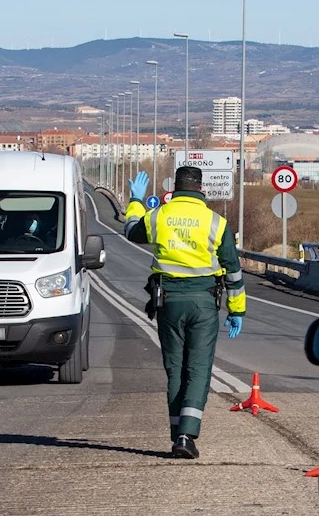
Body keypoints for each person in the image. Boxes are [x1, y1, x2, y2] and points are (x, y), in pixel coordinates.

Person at [123, 165, 246, 459]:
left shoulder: (160, 216)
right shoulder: (215, 222)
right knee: (199, 369)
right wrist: (236, 309)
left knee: (175, 368)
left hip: (168, 302)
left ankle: (176, 434)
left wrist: (135, 201)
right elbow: (232, 268)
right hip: (203, 303)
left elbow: (130, 232)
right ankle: (186, 436)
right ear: (201, 189)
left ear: (174, 189)